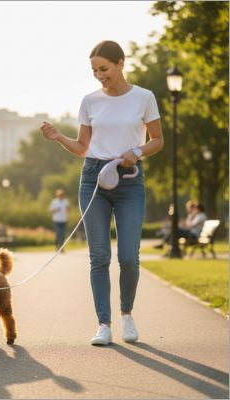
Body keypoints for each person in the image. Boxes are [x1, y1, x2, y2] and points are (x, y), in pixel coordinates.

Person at [40, 40, 163, 346]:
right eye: (94, 70)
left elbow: (158, 140)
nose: (99, 75)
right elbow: (82, 148)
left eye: (104, 69)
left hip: (129, 179)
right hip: (94, 177)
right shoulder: (90, 101)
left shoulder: (144, 97)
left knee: (129, 256)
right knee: (99, 256)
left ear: (121, 63)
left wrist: (137, 150)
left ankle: (127, 314)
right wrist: (58, 137)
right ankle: (103, 324)